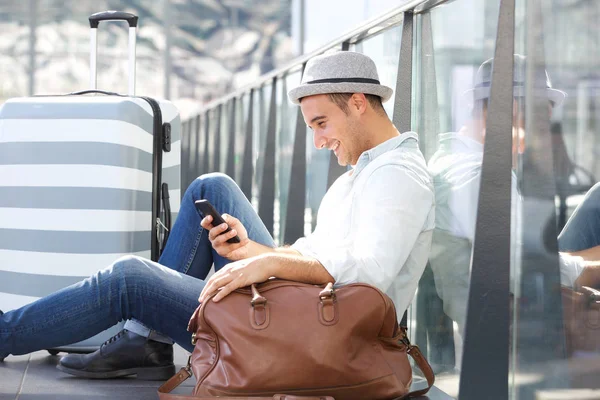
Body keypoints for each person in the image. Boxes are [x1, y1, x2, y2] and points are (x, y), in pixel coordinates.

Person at [0, 51, 435, 380]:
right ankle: (146, 342)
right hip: (305, 307)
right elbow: (319, 257)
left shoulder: (397, 175)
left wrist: (269, 262)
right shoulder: (365, 171)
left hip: (319, 337)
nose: (319, 141)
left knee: (129, 278)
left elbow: (368, 274)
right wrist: (252, 250)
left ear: (358, 102)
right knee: (212, 188)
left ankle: (8, 334)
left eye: (322, 123)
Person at [428, 54, 600, 338]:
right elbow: (526, 272)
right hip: (524, 324)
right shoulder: (482, 175)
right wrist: (591, 268)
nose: (542, 137)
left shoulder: (447, 160)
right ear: (513, 109)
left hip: (511, 299)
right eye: (542, 122)